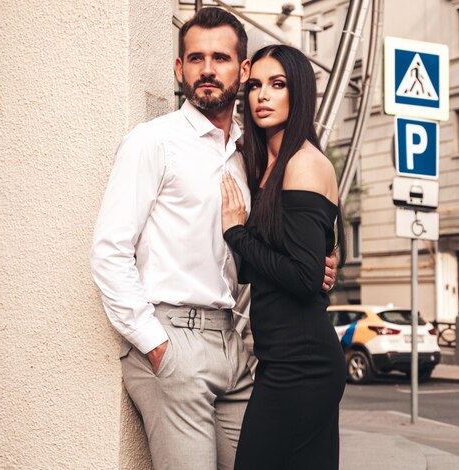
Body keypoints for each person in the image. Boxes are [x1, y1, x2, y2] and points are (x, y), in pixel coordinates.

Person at [90, 7, 336, 470]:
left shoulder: (249, 151)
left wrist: (323, 254)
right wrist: (154, 343)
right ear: (179, 68)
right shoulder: (153, 142)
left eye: (221, 57)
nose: (207, 69)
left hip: (235, 345)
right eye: (196, 58)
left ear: (242, 70)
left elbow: (286, 228)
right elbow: (109, 249)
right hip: (173, 340)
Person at [220, 45, 347, 470]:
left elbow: (302, 277)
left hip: (302, 365)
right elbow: (277, 265)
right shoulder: (266, 166)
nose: (262, 96)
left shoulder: (303, 164)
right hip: (284, 360)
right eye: (255, 85)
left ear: (300, 93)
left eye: (278, 85)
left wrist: (237, 232)